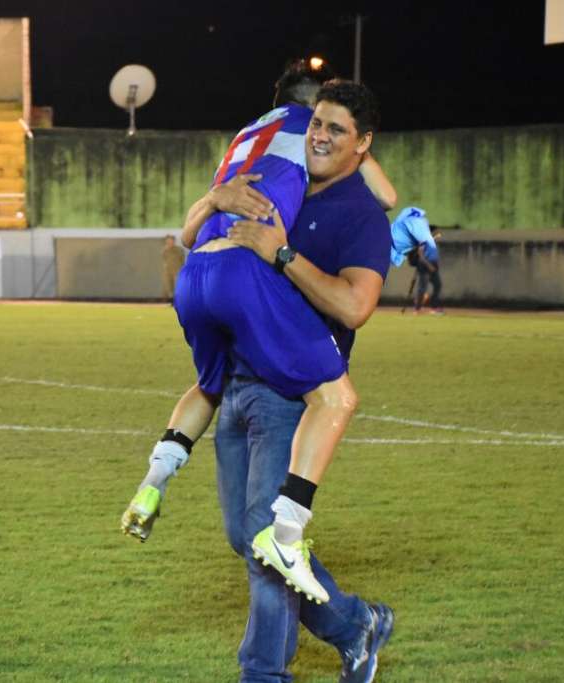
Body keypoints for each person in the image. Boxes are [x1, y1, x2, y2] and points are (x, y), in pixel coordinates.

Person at [121, 76, 395, 606]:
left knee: (209, 381)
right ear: (305, 107)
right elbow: (386, 196)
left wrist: (215, 197)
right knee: (337, 397)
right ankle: (290, 531)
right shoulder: (311, 135)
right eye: (317, 119)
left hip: (193, 276)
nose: (319, 132)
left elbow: (185, 234)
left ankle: (153, 480)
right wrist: (357, 161)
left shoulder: (247, 137)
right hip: (241, 272)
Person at [204, 80, 396, 683]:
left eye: (337, 129)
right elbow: (202, 239)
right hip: (237, 382)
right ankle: (354, 624)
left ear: (363, 144)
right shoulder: (283, 184)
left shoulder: (362, 216)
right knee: (245, 536)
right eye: (317, 122)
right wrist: (215, 201)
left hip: (298, 395)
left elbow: (355, 306)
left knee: (265, 537)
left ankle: (263, 673)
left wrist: (282, 254)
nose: (319, 135)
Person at [161, 234, 185, 302]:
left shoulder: (179, 250)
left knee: (177, 286)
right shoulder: (165, 250)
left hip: (177, 270)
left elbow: (182, 260)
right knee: (169, 286)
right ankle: (171, 300)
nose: (169, 242)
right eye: (168, 241)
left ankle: (179, 301)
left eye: (171, 240)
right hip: (168, 271)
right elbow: (164, 259)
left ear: (174, 241)